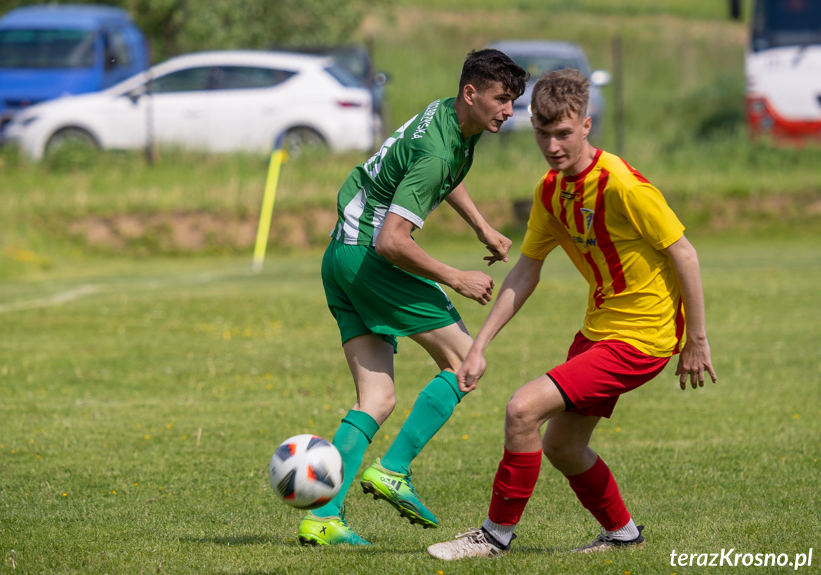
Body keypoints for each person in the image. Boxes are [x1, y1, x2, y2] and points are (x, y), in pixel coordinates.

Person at [426, 68, 717, 560]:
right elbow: (525, 272)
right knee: (562, 446)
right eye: (543, 133)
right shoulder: (550, 192)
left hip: (642, 337)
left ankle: (494, 536)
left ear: (585, 125)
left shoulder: (622, 185)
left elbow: (684, 253)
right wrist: (478, 347)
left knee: (522, 409)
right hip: (598, 332)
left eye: (563, 133)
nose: (553, 145)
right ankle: (623, 535)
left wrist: (698, 340)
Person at [296, 49, 530, 546]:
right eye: (502, 99)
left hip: (339, 257)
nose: (509, 111)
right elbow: (393, 241)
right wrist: (455, 278)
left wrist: (483, 227)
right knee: (467, 359)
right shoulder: (440, 149)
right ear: (472, 93)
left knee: (376, 399)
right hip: (369, 256)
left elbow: (445, 176)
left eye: (512, 101)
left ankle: (322, 517)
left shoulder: (449, 116)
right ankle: (394, 470)